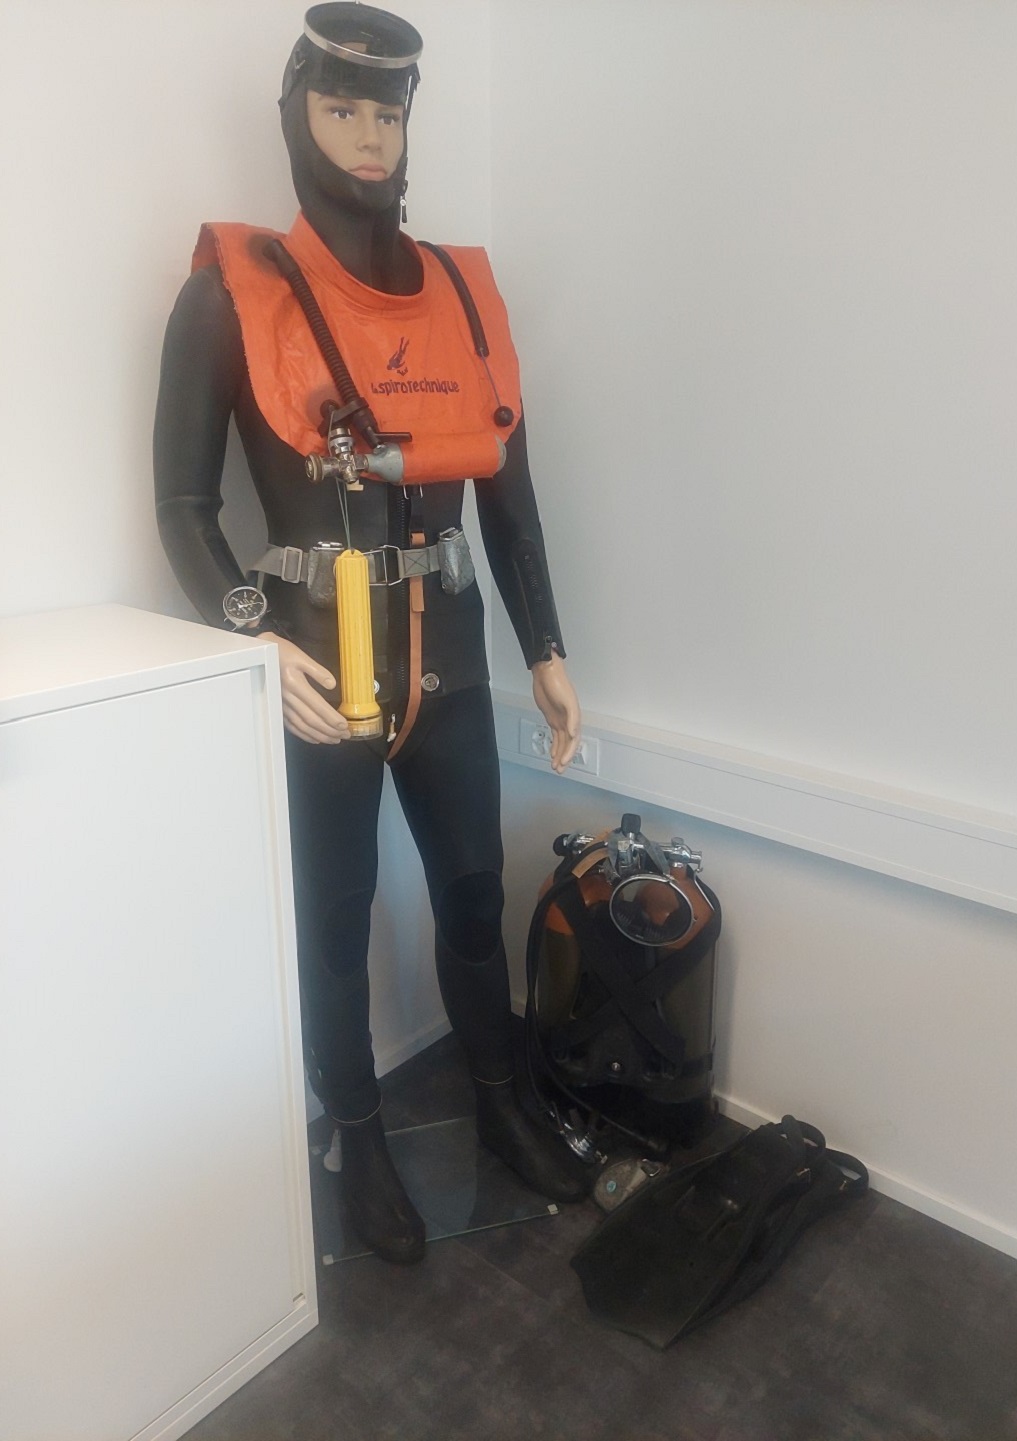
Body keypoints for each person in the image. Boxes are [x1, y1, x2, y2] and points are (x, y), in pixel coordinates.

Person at [154, 2, 588, 1264]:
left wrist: (547, 647)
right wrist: (248, 633)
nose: (365, 134)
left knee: (471, 892)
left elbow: (507, 491)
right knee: (334, 917)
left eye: (384, 112)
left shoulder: (463, 297)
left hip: (448, 658)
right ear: (294, 115)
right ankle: (354, 1137)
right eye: (338, 106)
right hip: (313, 662)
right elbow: (182, 506)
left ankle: (501, 1099)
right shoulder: (228, 297)